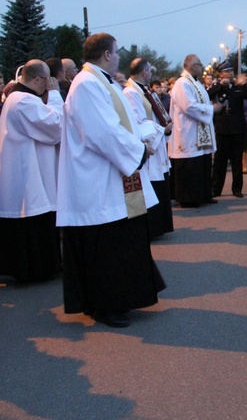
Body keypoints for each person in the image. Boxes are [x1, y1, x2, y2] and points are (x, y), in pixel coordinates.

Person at [57, 33, 166, 328]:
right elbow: (103, 132)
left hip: (112, 177)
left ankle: (118, 301)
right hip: (97, 182)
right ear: (106, 54)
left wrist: (146, 134)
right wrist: (139, 151)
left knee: (120, 243)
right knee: (106, 249)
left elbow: (126, 121)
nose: (119, 57)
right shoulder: (87, 84)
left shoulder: (103, 81)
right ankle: (105, 305)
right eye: (116, 52)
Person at [0, 60, 64, 282]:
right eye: (48, 80)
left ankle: (41, 268)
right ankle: (36, 270)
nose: (50, 84)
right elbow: (55, 125)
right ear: (38, 79)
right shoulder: (23, 100)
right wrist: (55, 95)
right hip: (28, 173)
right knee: (33, 217)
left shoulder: (19, 98)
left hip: (28, 168)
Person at [123, 58, 174, 238]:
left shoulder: (143, 90)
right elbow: (137, 121)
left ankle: (160, 226)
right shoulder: (130, 92)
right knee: (151, 183)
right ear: (144, 72)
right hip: (149, 143)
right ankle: (152, 228)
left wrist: (165, 125)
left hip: (157, 141)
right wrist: (161, 129)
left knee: (160, 182)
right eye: (150, 71)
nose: (151, 74)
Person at [168, 54, 222, 208]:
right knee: (190, 165)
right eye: (199, 64)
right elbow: (189, 107)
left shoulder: (195, 83)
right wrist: (212, 108)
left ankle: (203, 194)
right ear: (192, 66)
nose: (202, 66)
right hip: (188, 132)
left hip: (199, 132)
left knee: (202, 163)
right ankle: (188, 198)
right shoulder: (182, 83)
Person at [208, 68, 247, 198]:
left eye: (231, 72)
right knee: (220, 161)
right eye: (226, 72)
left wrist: (244, 85)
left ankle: (237, 189)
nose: (230, 74)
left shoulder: (238, 87)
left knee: (237, 160)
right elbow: (207, 96)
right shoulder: (217, 86)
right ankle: (216, 188)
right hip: (222, 129)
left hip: (237, 129)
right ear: (221, 74)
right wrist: (220, 85)